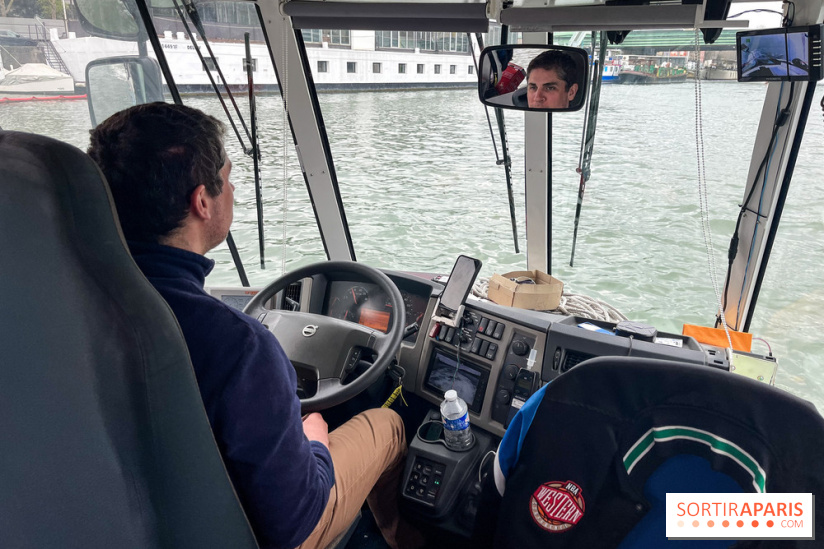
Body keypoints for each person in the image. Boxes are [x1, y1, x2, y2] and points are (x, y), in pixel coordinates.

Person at [87, 102, 423, 549]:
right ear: (202, 201)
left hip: (129, 510)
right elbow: (292, 521)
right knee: (386, 425)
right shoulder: (237, 344)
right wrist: (315, 444)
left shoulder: (69, 299)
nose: (233, 192)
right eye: (227, 180)